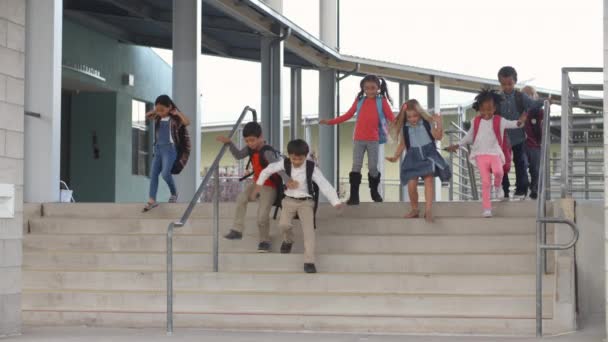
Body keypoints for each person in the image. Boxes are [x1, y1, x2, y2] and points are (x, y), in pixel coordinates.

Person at [254, 139, 343, 273]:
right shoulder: (285, 163)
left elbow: (324, 184)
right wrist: (259, 183)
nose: (296, 162)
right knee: (283, 225)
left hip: (306, 202)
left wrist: (335, 201)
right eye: (293, 159)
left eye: (300, 159)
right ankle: (288, 240)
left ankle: (309, 261)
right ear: (289, 155)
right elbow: (268, 169)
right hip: (288, 200)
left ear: (306, 156)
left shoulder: (312, 168)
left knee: (309, 232)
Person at [446, 89, 527, 217]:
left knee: (499, 172)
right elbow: (469, 136)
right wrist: (458, 144)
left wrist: (520, 121)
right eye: (483, 110)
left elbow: (513, 124)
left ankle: (498, 186)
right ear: (479, 109)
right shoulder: (476, 121)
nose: (486, 113)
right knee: (485, 182)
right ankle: (487, 209)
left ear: (495, 108)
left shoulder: (499, 120)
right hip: (480, 154)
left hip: (494, 153)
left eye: (489, 109)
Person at [320, 74, 395, 205]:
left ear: (378, 88)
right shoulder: (360, 100)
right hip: (359, 139)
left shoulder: (381, 101)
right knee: (356, 166)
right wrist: (330, 122)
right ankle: (354, 196)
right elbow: (348, 114)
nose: (370, 91)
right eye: (367, 88)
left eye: (373, 88)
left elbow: (391, 117)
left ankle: (374, 191)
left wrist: (406, 122)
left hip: (374, 140)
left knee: (373, 167)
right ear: (363, 88)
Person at [216, 122, 290, 252]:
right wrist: (229, 143)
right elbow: (238, 155)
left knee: (262, 215)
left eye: (252, 140)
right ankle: (237, 230)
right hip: (256, 184)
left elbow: (278, 169)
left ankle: (264, 240)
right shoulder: (250, 149)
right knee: (241, 198)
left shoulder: (267, 152)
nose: (250, 143)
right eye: (247, 141)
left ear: (261, 137)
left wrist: (288, 181)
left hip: (269, 186)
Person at [386, 99, 448, 222]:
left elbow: (438, 137)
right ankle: (415, 209)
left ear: (420, 113)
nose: (413, 119)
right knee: (411, 184)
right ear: (406, 117)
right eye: (409, 117)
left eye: (415, 116)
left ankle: (428, 210)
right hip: (413, 157)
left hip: (428, 155)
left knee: (429, 181)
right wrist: (395, 157)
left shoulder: (426, 123)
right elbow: (402, 144)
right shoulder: (406, 128)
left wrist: (439, 124)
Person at [143, 95, 191, 212]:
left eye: (162, 110)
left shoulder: (174, 120)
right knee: (153, 174)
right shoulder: (158, 118)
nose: (160, 113)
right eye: (158, 110)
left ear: (169, 107)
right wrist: (157, 110)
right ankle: (152, 199)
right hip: (158, 149)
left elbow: (187, 122)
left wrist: (177, 113)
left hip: (170, 150)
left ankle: (174, 193)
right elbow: (147, 116)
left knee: (165, 174)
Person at [497, 66, 539, 200]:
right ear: (500, 83)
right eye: (503, 84)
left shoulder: (521, 97)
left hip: (519, 137)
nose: (507, 87)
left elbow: (533, 105)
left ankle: (521, 190)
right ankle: (504, 189)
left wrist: (544, 103)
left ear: (515, 82)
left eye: (509, 83)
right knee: (502, 164)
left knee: (520, 163)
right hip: (502, 138)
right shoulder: (496, 98)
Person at [521, 85, 545, 200]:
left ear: (536, 97)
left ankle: (534, 188)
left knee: (535, 169)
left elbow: (543, 115)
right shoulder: (520, 111)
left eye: (532, 95)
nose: (529, 97)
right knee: (522, 165)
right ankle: (524, 186)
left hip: (535, 145)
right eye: (526, 96)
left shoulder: (539, 112)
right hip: (521, 145)